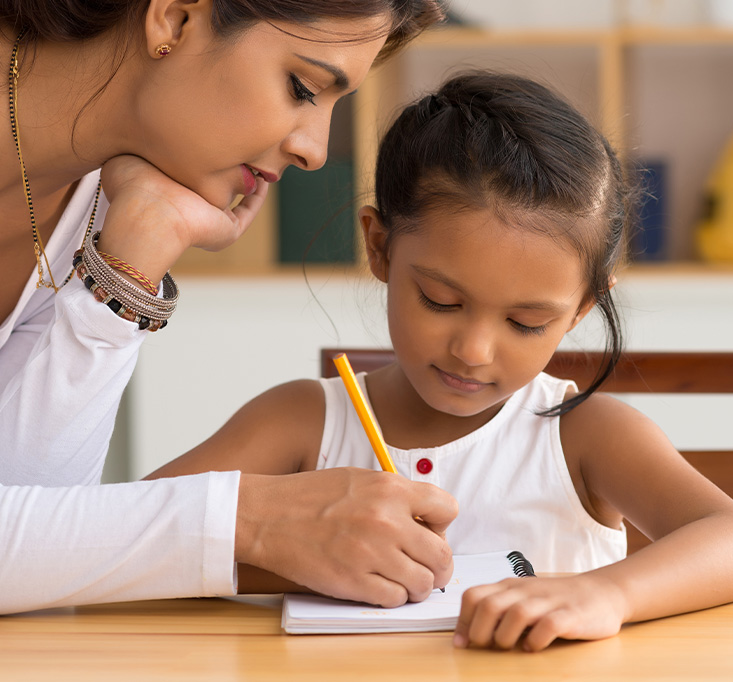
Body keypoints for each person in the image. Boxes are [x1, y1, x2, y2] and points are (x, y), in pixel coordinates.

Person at [147, 71, 733, 651]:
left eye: (526, 323)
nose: (473, 351)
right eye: (440, 301)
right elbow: (125, 536)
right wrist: (284, 549)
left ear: (582, 309)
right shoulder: (302, 421)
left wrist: (607, 592)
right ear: (380, 248)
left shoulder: (584, 434)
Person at [0, 0, 459, 615]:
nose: (315, 151)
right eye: (303, 87)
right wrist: (253, 521)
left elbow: (33, 542)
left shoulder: (100, 188)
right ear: (174, 18)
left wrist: (131, 264)